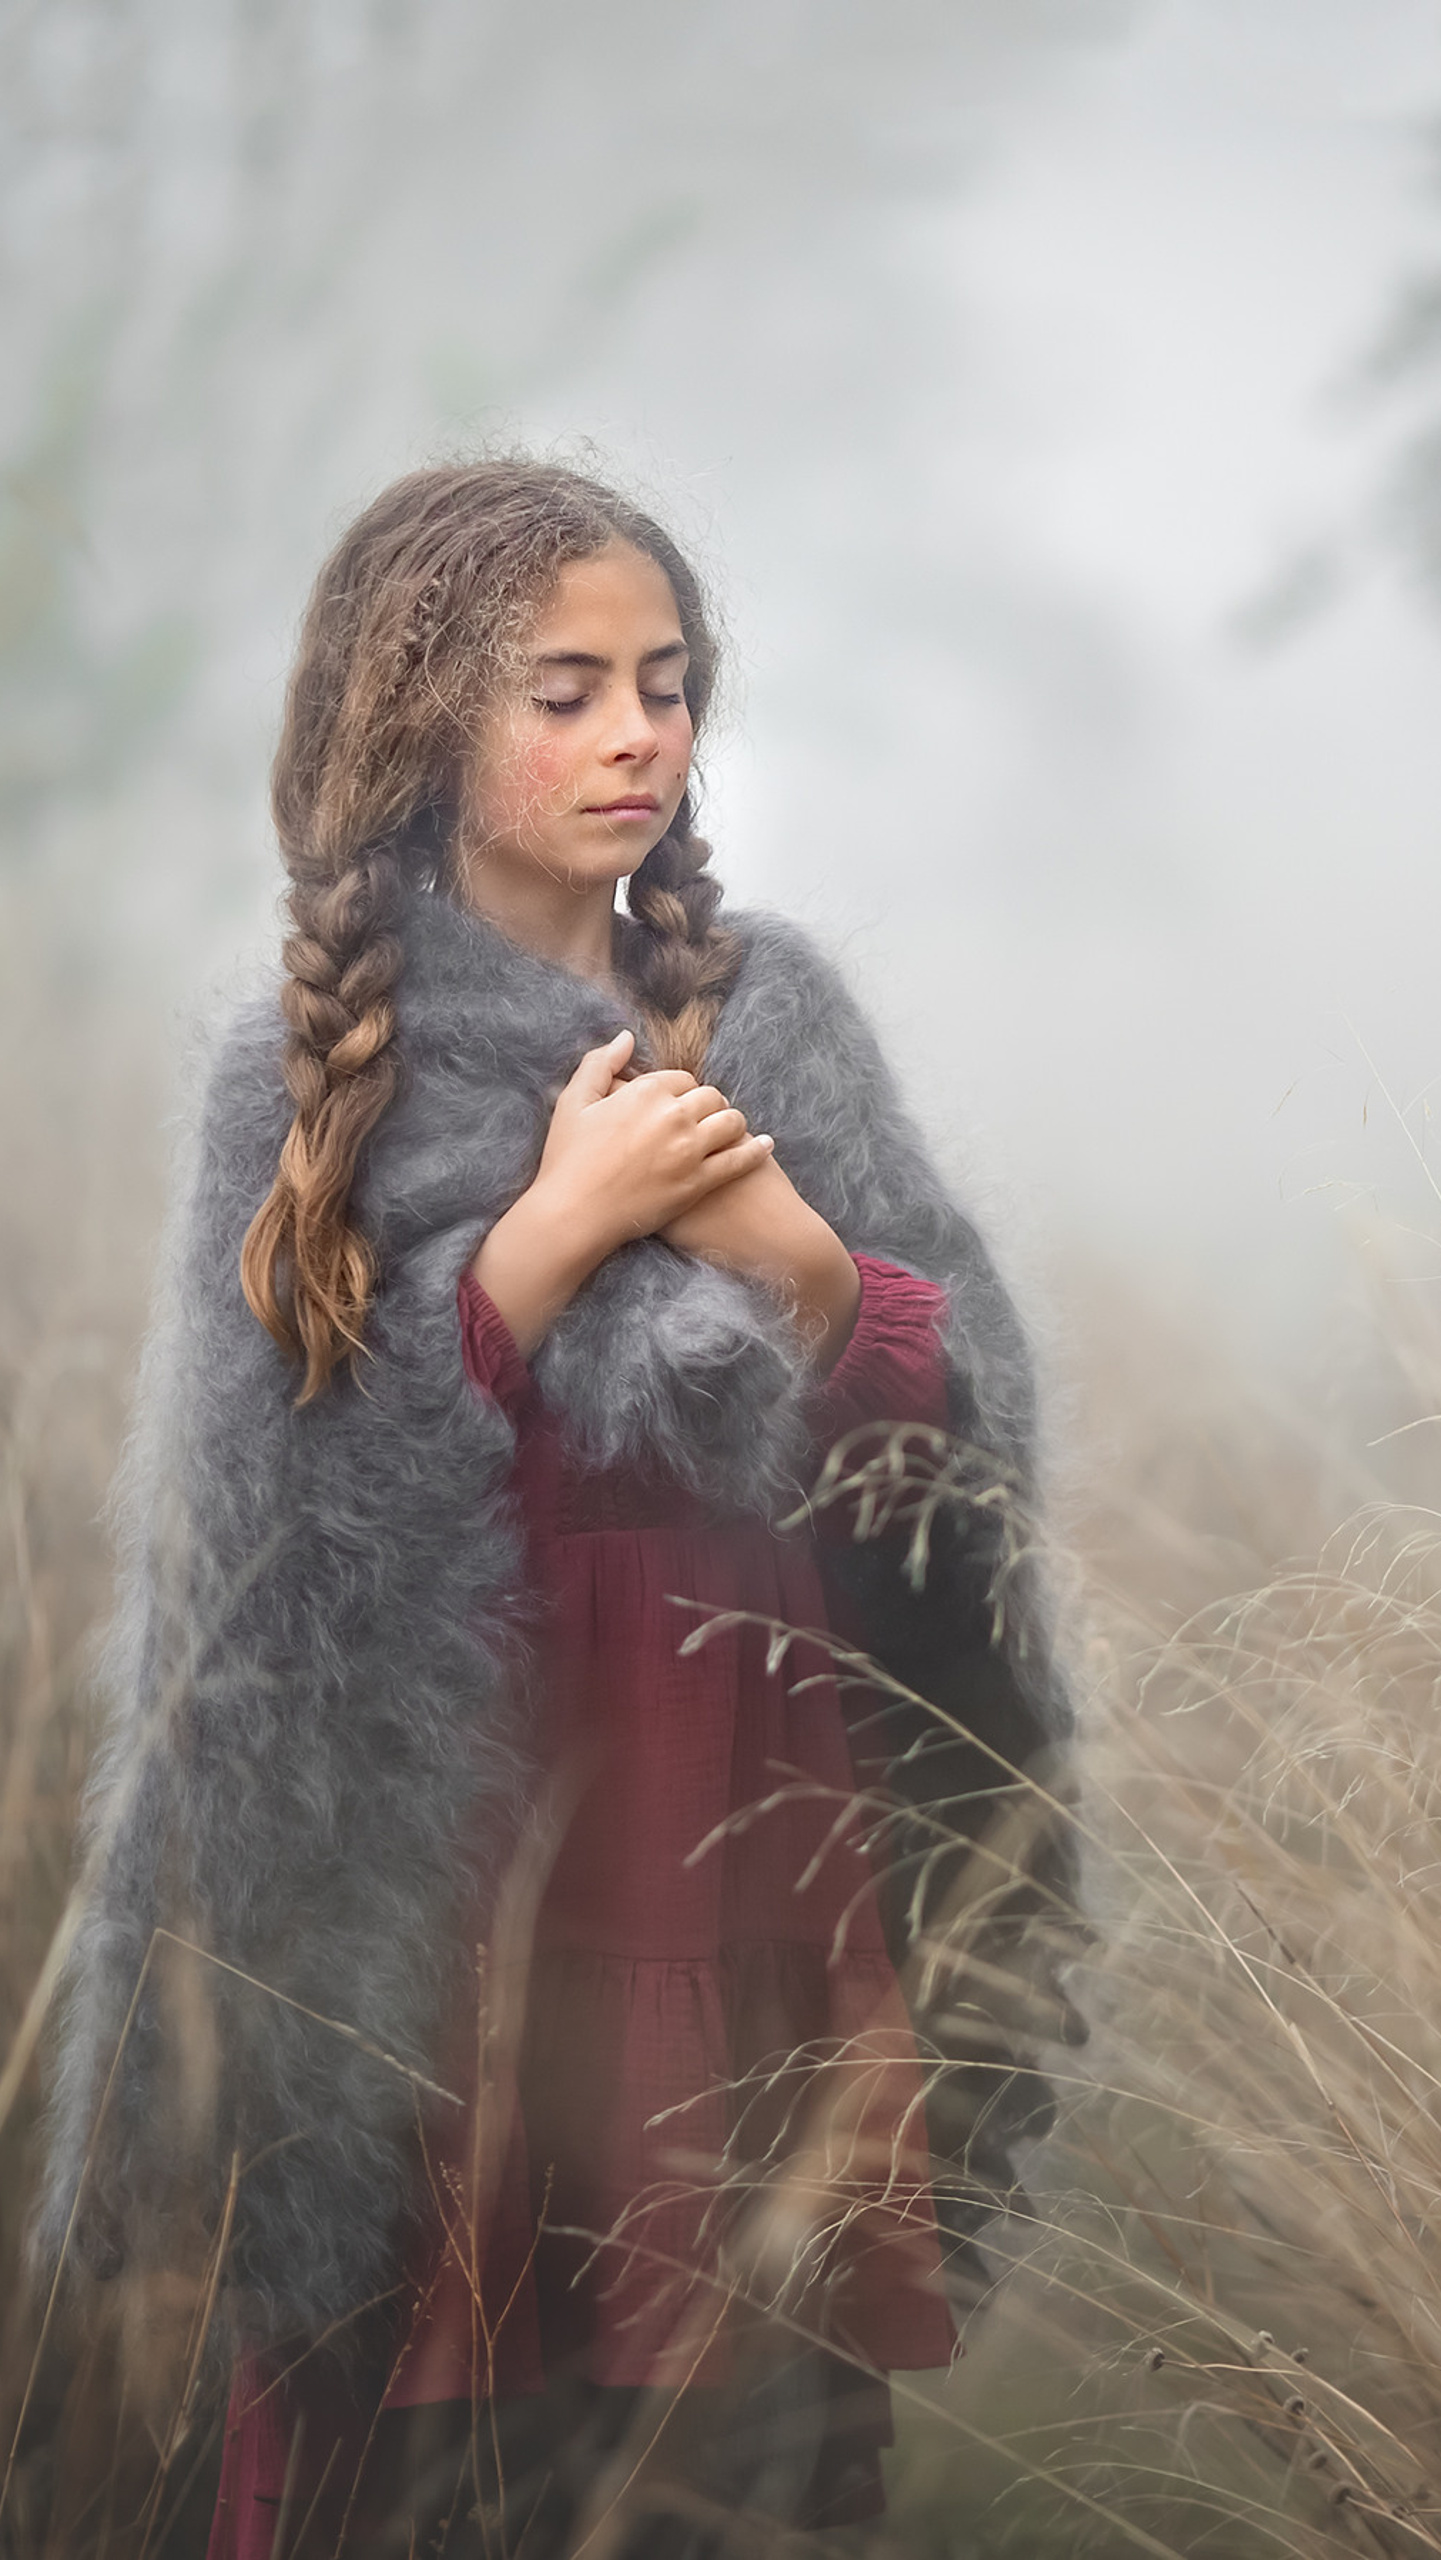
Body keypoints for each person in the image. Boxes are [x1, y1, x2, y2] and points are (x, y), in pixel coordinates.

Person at [34, 460, 1076, 2553]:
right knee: (430, 2460)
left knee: (721, 2445)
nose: (636, 736)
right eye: (566, 691)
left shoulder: (773, 1020)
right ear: (422, 723)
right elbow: (280, 1543)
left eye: (666, 686)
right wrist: (550, 1233)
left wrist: (794, 1257)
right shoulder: (308, 1075)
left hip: (737, 1846)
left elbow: (947, 1441)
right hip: (456, 1885)